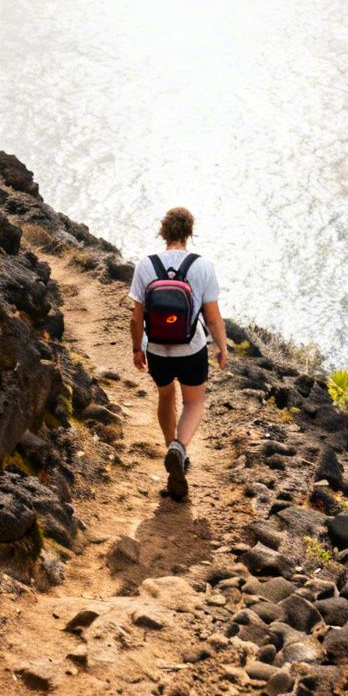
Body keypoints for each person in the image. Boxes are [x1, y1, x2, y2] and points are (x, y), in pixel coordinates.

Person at [128, 207, 229, 501]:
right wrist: (222, 347)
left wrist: (137, 348)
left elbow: (136, 318)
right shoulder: (202, 266)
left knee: (165, 396)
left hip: (157, 349)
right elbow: (213, 318)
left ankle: (170, 446)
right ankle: (179, 449)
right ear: (189, 232)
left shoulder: (145, 265)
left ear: (163, 232)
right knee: (194, 403)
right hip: (191, 349)